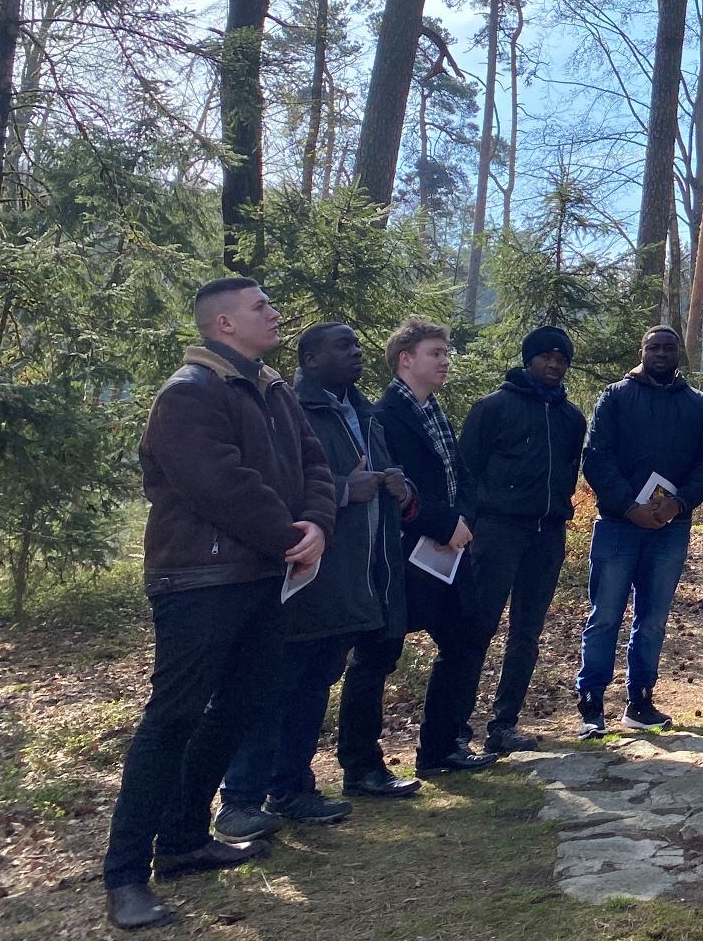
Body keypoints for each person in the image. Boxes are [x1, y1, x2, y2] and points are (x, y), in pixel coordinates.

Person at [102, 278, 335, 932]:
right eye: (261, 306)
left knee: (241, 704)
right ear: (224, 324)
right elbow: (219, 485)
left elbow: (314, 463)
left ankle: (181, 843)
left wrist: (318, 523)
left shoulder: (273, 389)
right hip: (198, 582)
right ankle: (124, 877)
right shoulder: (187, 395)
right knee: (171, 720)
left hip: (265, 575)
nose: (275, 311)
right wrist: (294, 536)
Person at [217, 324, 412, 834]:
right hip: (304, 574)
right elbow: (277, 485)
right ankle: (238, 799)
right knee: (271, 689)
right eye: (343, 346)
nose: (357, 352)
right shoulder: (291, 407)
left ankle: (292, 790)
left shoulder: (365, 413)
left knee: (312, 689)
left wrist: (396, 483)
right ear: (309, 357)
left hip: (356, 577)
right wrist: (348, 490)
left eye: (357, 343)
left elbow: (382, 476)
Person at [347, 318, 495, 781]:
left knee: (466, 641)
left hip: (449, 553)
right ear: (405, 360)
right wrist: (443, 522)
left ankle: (439, 748)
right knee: (377, 657)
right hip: (401, 558)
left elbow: (461, 475)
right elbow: (395, 486)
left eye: (446, 352)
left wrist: (463, 519)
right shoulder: (383, 417)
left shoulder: (436, 411)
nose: (445, 360)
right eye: (435, 352)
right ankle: (362, 766)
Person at [575, 325, 703, 736]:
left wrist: (679, 503)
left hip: (671, 529)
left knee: (653, 619)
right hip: (618, 526)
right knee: (604, 616)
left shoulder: (698, 405)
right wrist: (628, 506)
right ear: (642, 351)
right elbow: (597, 457)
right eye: (654, 347)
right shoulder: (615, 396)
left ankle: (639, 701)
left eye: (669, 347)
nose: (661, 353)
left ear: (679, 354)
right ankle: (591, 706)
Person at [458, 325, 587, 754]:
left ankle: (504, 723)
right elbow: (467, 471)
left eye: (562, 359)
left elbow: (569, 469)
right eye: (546, 357)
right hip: (496, 532)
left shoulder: (571, 418)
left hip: (547, 533)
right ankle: (454, 728)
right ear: (528, 359)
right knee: (477, 627)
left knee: (527, 632)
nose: (554, 365)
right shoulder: (493, 407)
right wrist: (470, 525)